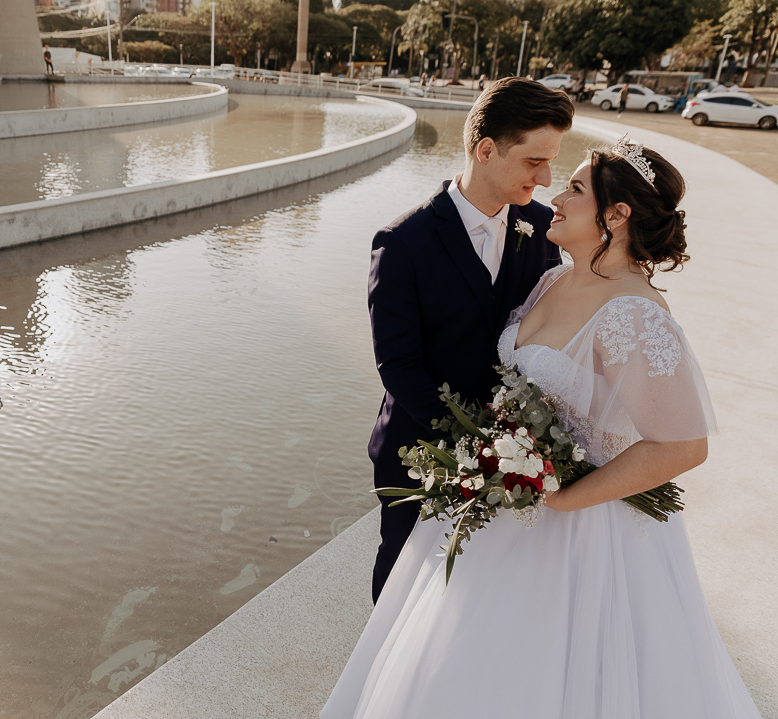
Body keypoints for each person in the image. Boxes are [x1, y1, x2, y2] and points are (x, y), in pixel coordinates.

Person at [321, 138, 763, 718]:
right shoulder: (554, 280)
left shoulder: (634, 315)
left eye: (575, 188)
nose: (556, 195)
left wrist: (565, 497)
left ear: (617, 215)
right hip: (506, 502)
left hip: (582, 528)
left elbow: (683, 443)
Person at [364, 77, 572, 604]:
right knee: (403, 573)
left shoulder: (544, 227)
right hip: (419, 448)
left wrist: (519, 440)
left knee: (476, 582)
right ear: (485, 150)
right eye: (534, 162)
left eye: (551, 162)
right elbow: (398, 365)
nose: (547, 178)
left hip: (515, 452)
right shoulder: (402, 243)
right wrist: (471, 440)